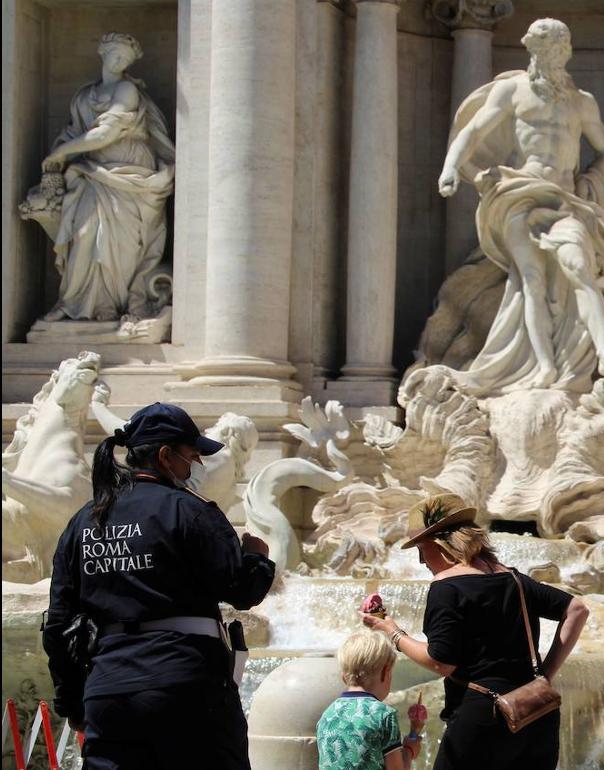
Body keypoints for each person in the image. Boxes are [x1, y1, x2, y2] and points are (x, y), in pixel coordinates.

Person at [42, 402, 274, 769]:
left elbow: (58, 623)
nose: (195, 466)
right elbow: (242, 591)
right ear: (166, 456)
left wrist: (71, 702)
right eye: (192, 457)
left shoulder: (84, 521)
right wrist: (257, 558)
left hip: (108, 690)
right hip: (186, 686)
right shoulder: (189, 511)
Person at [438, 18, 604, 394]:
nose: (552, 55)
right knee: (531, 280)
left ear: (567, 51)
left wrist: (594, 177)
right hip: (520, 193)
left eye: (558, 49)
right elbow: (472, 131)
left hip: (565, 199)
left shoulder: (583, 102)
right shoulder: (512, 91)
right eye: (544, 48)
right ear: (532, 50)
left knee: (579, 268)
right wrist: (453, 167)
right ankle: (545, 367)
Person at [361, 494, 590, 770]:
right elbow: (577, 610)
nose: (422, 560)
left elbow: (440, 661)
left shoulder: (446, 588)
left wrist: (393, 632)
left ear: (439, 543)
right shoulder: (515, 579)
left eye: (421, 549)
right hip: (536, 713)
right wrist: (544, 675)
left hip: (483, 718)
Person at [37, 32, 175, 322]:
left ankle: (109, 307)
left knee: (119, 246)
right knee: (85, 235)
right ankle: (74, 302)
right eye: (116, 54)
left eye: (126, 58)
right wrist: (60, 154)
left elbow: (105, 133)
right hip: (93, 174)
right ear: (103, 52)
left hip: (130, 176)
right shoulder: (84, 95)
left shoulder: (127, 90)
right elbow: (75, 132)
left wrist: (61, 152)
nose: (120, 61)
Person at [317, 631, 423, 770]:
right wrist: (409, 750)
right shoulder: (384, 715)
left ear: (344, 677)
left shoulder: (327, 716)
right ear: (386, 673)